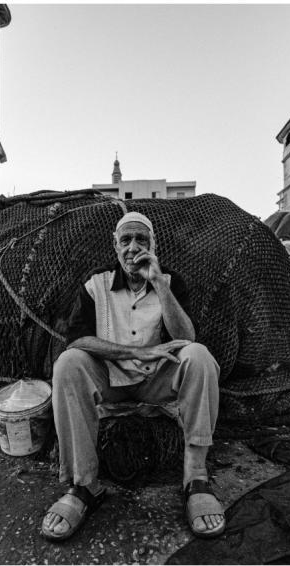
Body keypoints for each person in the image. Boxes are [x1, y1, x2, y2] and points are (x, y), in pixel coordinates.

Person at [40, 211, 225, 542]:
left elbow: (187, 337)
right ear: (115, 246)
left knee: (199, 357)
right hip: (109, 380)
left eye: (142, 239)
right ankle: (84, 487)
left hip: (157, 382)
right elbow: (78, 339)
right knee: (68, 363)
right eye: (126, 240)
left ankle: (196, 478)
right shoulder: (95, 284)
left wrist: (157, 281)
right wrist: (134, 352)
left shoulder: (170, 281)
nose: (133, 247)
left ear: (153, 245)